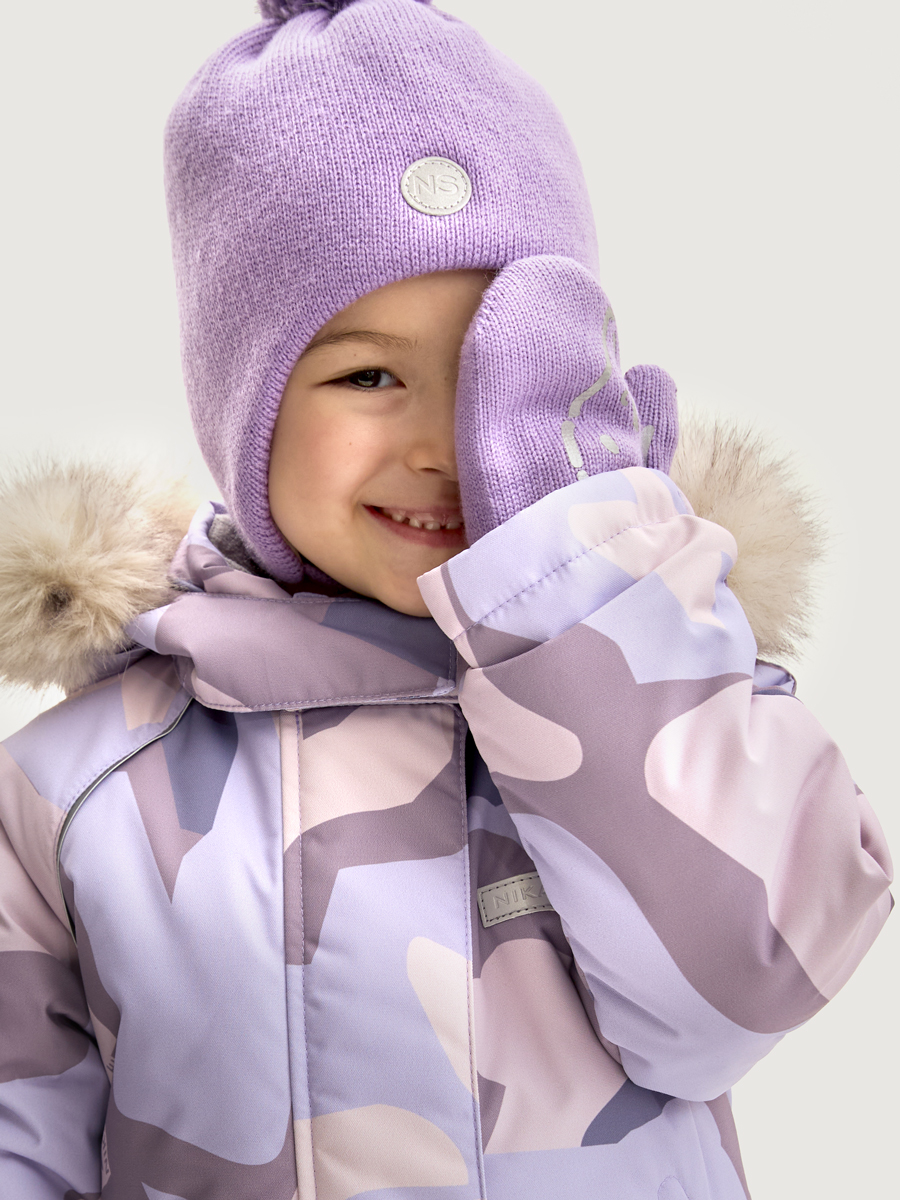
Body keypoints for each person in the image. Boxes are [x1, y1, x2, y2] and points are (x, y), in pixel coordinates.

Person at [0, 1, 891, 1197]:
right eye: (369, 374)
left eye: (501, 371)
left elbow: (741, 991)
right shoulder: (79, 787)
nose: (445, 444)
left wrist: (584, 577)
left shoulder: (691, 696)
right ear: (241, 405)